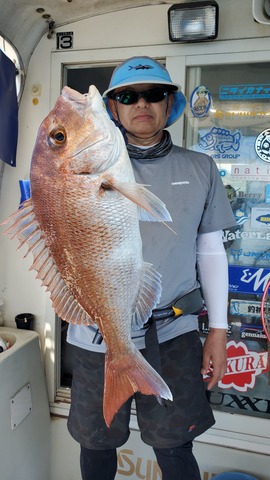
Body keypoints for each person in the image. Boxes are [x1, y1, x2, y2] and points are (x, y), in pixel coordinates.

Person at [66, 56, 235, 480]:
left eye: (154, 93)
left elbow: (210, 250)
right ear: (113, 109)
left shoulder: (200, 168)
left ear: (170, 103)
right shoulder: (82, 170)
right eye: (127, 96)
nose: (142, 103)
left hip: (173, 332)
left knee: (175, 443)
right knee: (96, 441)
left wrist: (218, 329)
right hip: (96, 333)